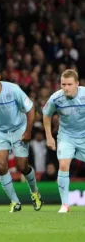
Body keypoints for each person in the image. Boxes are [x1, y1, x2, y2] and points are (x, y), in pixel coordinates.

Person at [0, 65, 42, 213]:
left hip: (19, 129)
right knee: (0, 165)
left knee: (22, 167)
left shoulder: (13, 90)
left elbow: (31, 109)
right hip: (0, 132)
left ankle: (34, 192)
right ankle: (15, 201)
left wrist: (28, 131)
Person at [42, 69, 85, 213]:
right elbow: (46, 115)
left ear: (77, 84)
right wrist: (49, 136)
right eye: (63, 84)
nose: (66, 88)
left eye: (69, 84)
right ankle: (65, 204)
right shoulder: (56, 98)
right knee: (64, 164)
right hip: (66, 136)